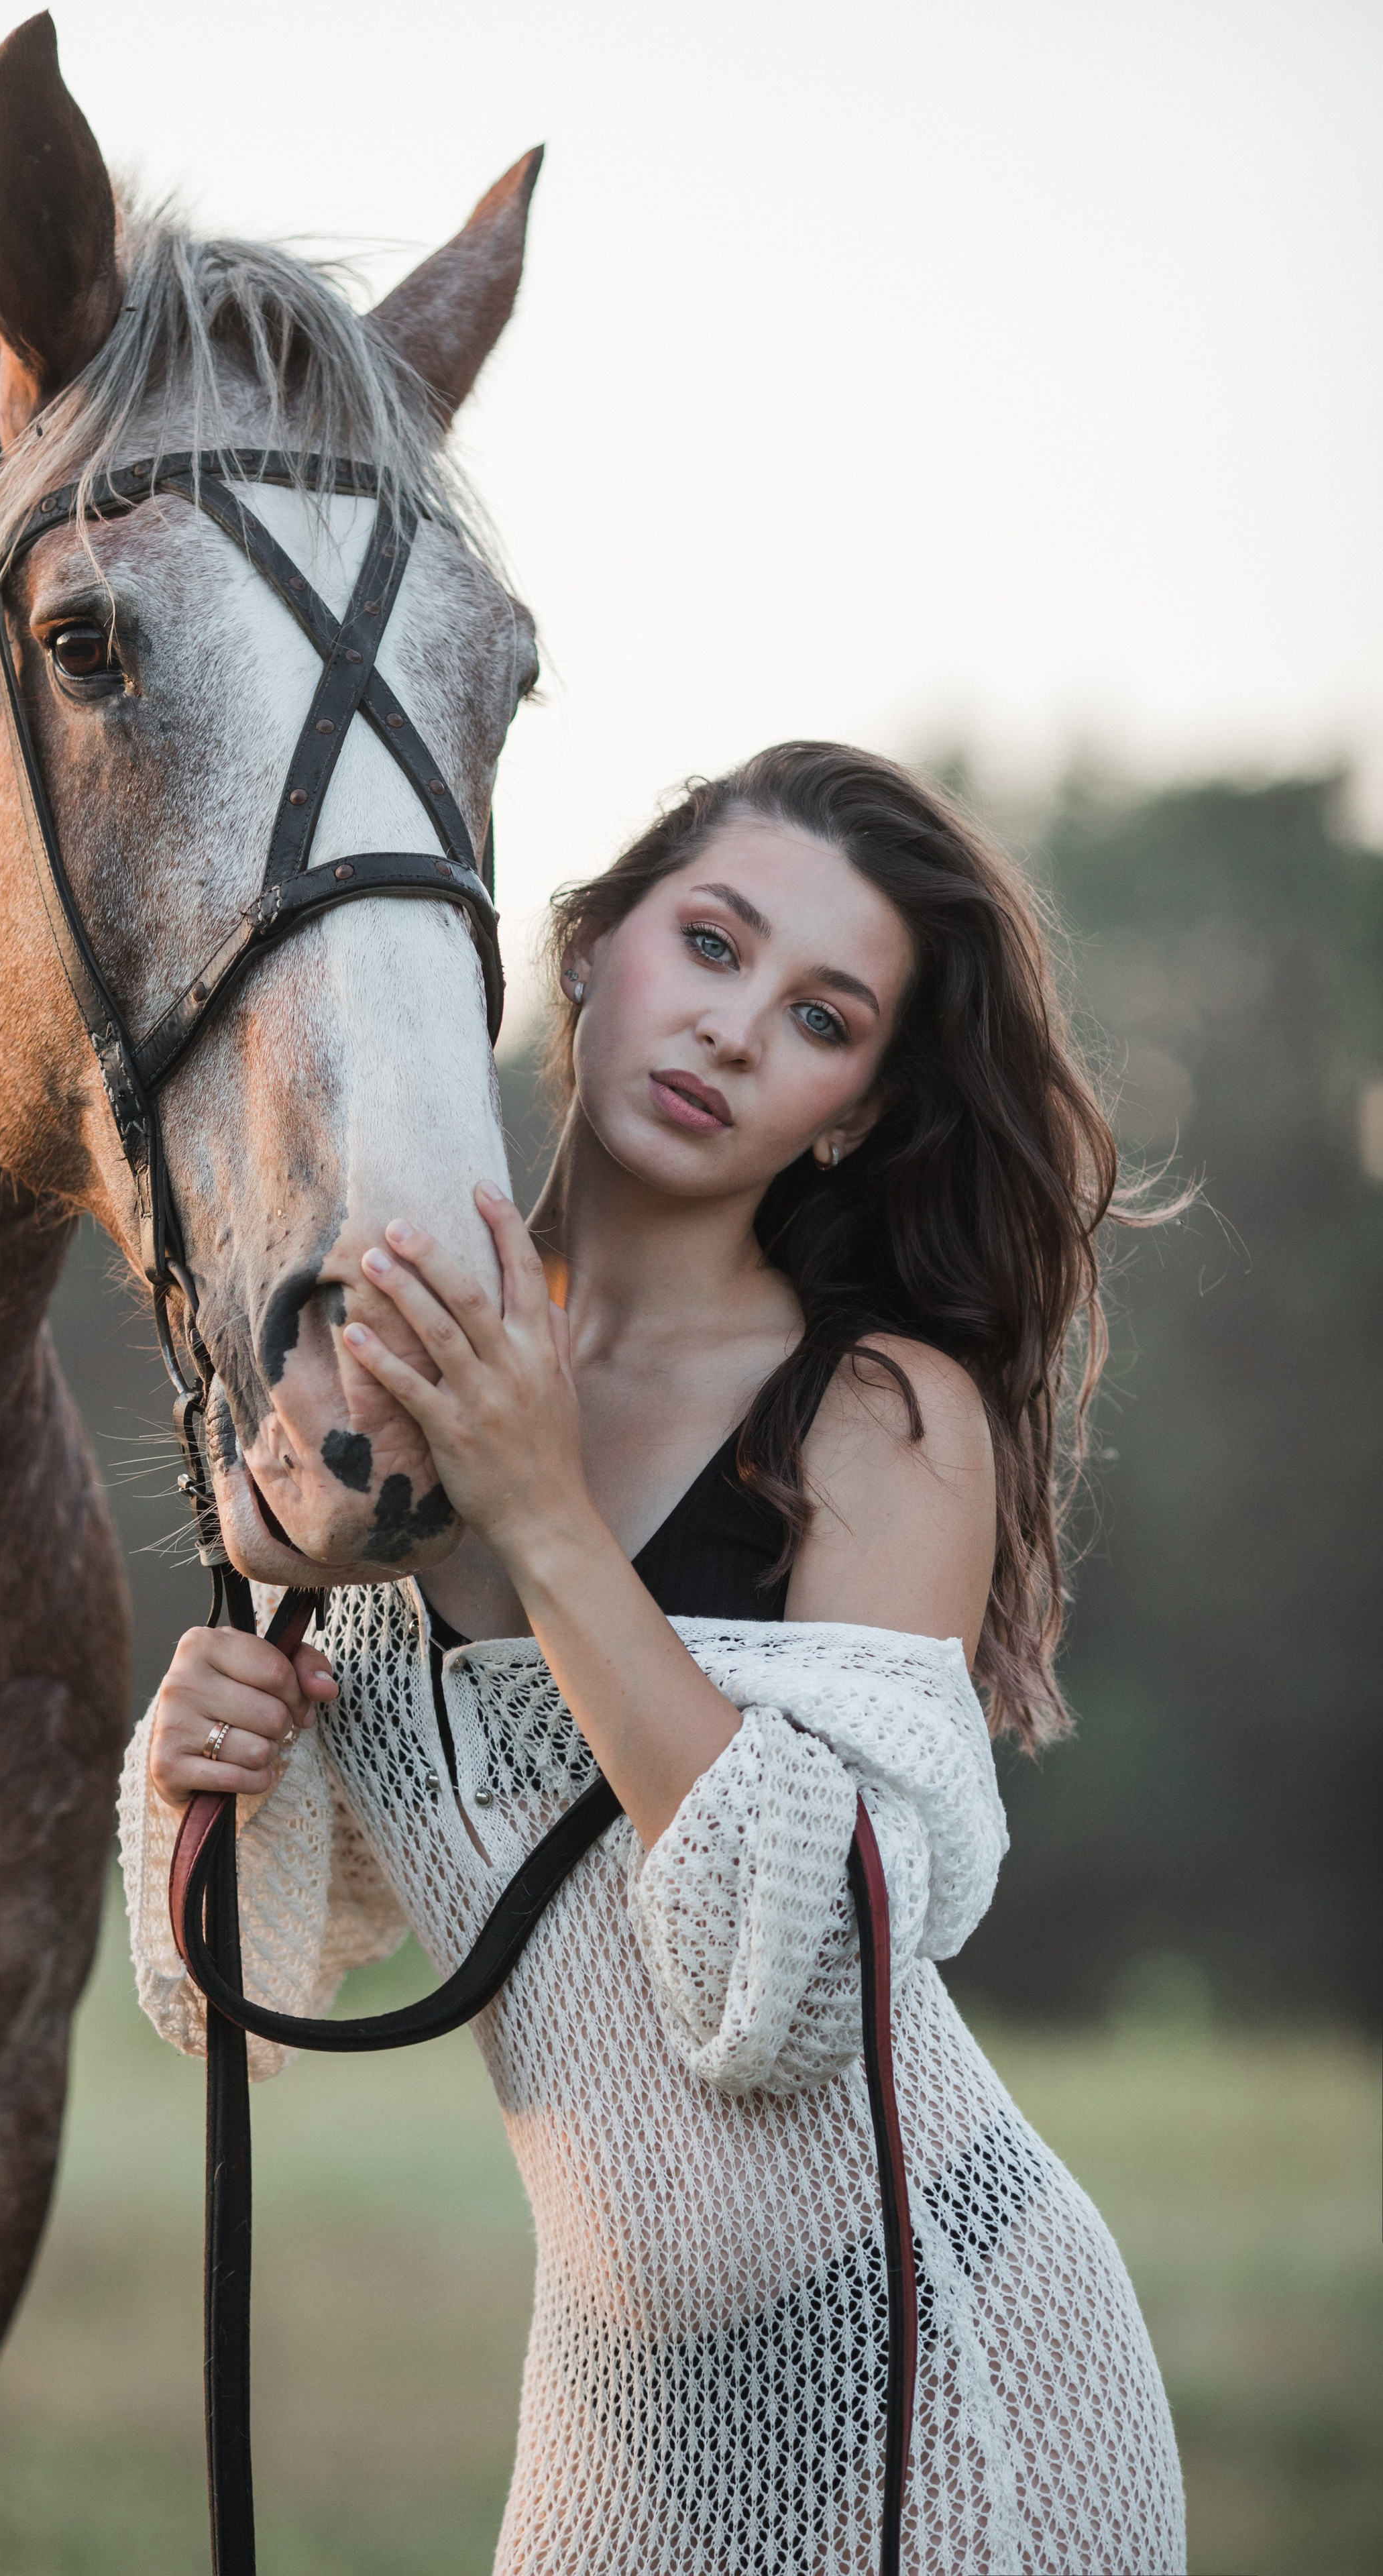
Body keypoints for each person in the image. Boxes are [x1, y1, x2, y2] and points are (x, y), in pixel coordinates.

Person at [121, 742, 1186, 2573]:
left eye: (822, 1016)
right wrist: (210, 1754)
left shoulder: (876, 1417)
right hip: (626, 2421)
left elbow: (802, 1982)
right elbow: (262, 1970)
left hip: (954, 2369)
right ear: (593, 949)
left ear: (848, 1111)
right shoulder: (377, 1391)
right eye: (710, 944)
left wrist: (543, 1515)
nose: (734, 1030)